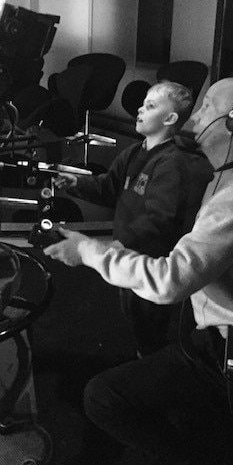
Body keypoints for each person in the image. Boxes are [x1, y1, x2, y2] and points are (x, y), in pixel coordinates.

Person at [44, 77, 233, 465]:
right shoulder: (229, 177)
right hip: (212, 327)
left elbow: (168, 282)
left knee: (102, 397)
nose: (195, 116)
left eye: (206, 107)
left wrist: (90, 252)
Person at [54, 81, 195, 357]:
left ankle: (151, 365)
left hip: (148, 262)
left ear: (170, 119)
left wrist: (117, 245)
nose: (140, 110)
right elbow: (109, 187)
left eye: (151, 106)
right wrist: (76, 183)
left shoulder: (173, 165)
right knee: (131, 314)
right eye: (143, 104)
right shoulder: (134, 152)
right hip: (126, 252)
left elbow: (159, 220)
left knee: (149, 324)